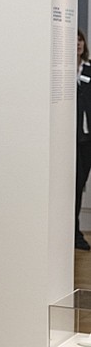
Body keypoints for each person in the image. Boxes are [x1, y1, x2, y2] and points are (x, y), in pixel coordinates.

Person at [77, 29, 91, 250]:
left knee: (81, 184)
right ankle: (73, 231)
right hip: (71, 138)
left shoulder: (89, 68)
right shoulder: (63, 70)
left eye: (80, 40)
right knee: (74, 185)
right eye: (75, 40)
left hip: (87, 138)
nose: (78, 43)